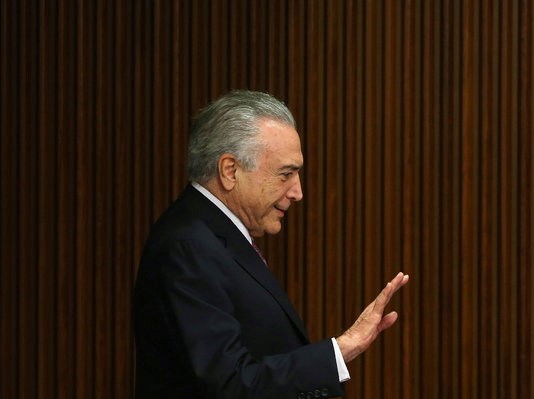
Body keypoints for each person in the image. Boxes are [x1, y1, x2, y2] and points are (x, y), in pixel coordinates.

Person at [133, 90, 409, 398]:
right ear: (230, 170)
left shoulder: (213, 235)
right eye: (286, 174)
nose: (297, 192)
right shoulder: (187, 247)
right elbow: (229, 385)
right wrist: (340, 350)